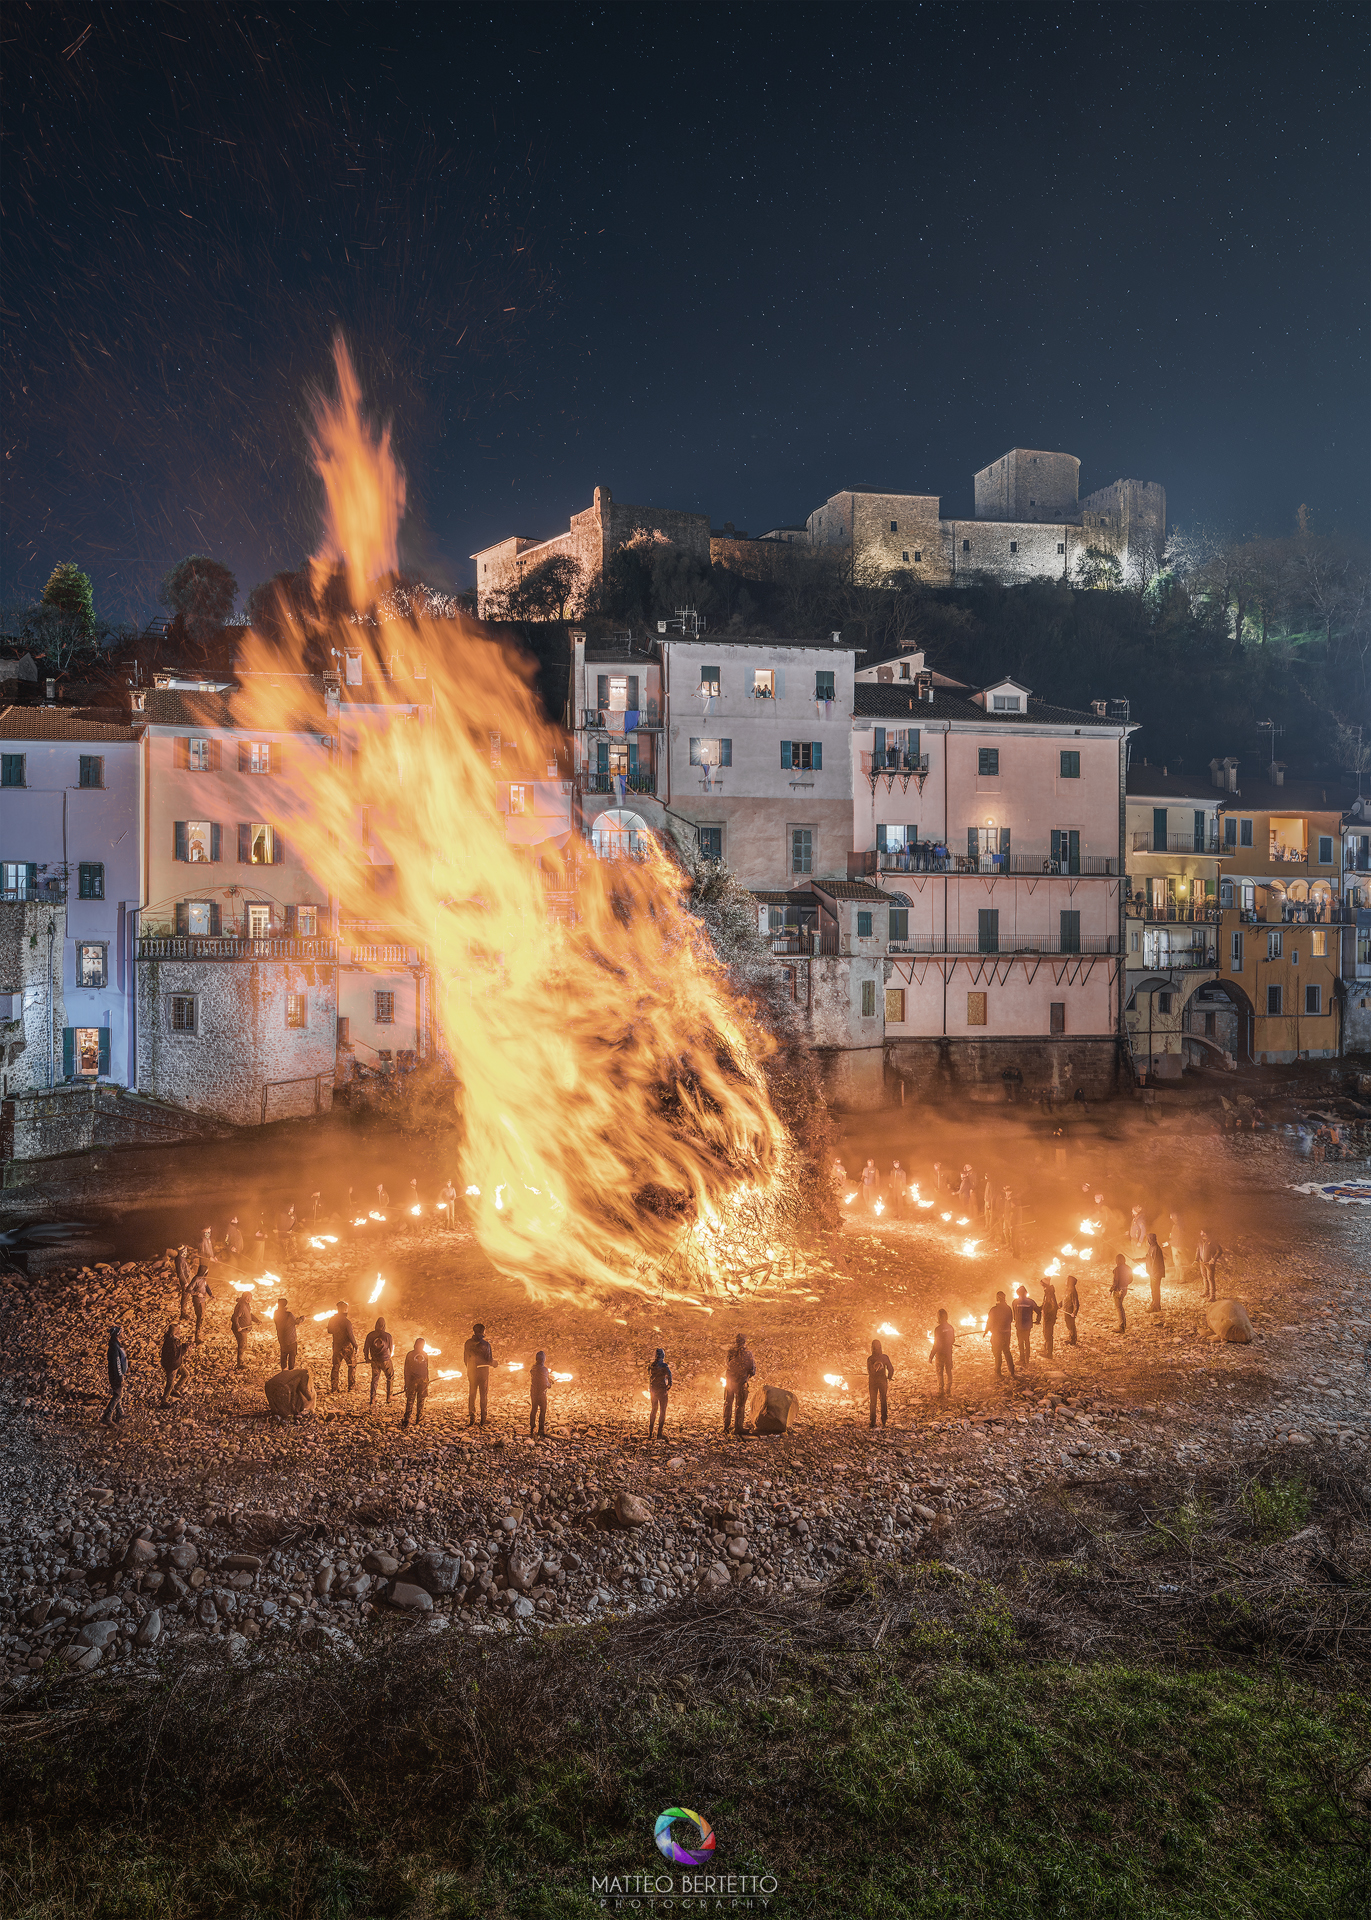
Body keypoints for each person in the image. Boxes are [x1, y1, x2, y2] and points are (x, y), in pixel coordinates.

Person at [723, 1333, 755, 1435]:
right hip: (741, 1383)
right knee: (740, 1406)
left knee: (728, 1403)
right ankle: (738, 1428)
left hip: (730, 1382)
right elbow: (752, 1370)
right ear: (745, 1341)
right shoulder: (748, 1354)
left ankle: (725, 1427)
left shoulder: (731, 1352)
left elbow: (727, 1364)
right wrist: (748, 1375)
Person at [464, 1322, 494, 1426]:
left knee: (472, 1395)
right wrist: (494, 1363)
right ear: (482, 1332)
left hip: (472, 1373)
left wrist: (470, 1369)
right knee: (483, 1396)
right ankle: (483, 1419)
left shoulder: (468, 1343)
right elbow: (489, 1360)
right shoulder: (486, 1345)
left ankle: (472, 1419)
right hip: (483, 1374)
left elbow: (465, 1360)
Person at [983, 1291, 1016, 1381]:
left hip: (997, 1334)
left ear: (997, 1298)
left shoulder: (994, 1309)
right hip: (1006, 1333)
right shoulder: (1008, 1309)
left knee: (997, 1352)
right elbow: (1010, 1320)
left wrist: (987, 1330)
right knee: (1006, 1351)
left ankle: (998, 1371)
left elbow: (989, 1321)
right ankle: (1012, 1370)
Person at [101, 1324, 129, 1425]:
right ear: (118, 1334)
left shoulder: (115, 1344)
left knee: (118, 1393)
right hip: (116, 1375)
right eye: (122, 1332)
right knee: (118, 1394)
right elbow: (117, 1363)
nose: (123, 1334)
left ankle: (120, 1412)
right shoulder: (114, 1346)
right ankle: (107, 1416)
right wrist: (120, 1377)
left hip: (116, 1374)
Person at [328, 1300, 358, 1392]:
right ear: (345, 1310)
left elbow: (329, 1331)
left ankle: (334, 1387)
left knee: (336, 1366)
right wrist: (355, 1345)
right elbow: (350, 1334)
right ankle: (351, 1387)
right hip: (346, 1347)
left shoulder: (332, 1320)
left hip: (337, 1346)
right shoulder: (347, 1322)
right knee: (352, 1365)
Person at [363, 1316, 394, 1406]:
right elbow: (391, 1350)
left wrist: (367, 1358)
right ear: (384, 1326)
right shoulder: (388, 1336)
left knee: (375, 1379)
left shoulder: (370, 1335)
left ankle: (372, 1398)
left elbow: (365, 1348)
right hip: (385, 1360)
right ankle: (389, 1396)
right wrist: (389, 1356)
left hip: (375, 1361)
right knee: (390, 1377)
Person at [160, 1322, 192, 1403]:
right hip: (172, 1366)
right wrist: (185, 1349)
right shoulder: (171, 1343)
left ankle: (175, 1389)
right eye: (178, 1332)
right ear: (176, 1333)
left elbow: (178, 1351)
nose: (180, 1333)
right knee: (170, 1383)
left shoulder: (172, 1340)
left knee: (186, 1374)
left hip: (176, 1364)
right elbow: (176, 1355)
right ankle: (164, 1400)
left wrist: (184, 1346)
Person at [867, 1338, 894, 1428]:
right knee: (883, 1400)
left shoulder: (870, 1359)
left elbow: (870, 1372)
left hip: (873, 1382)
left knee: (873, 1401)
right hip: (882, 1381)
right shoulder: (884, 1357)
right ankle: (884, 1420)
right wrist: (889, 1377)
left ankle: (872, 1421)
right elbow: (891, 1369)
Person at [402, 1337, 429, 1428]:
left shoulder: (410, 1354)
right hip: (422, 1381)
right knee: (420, 1401)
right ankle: (419, 1419)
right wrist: (426, 1381)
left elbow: (406, 1370)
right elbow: (426, 1370)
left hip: (412, 1381)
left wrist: (406, 1383)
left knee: (410, 1400)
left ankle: (407, 1419)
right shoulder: (425, 1355)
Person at [1011, 1285, 1042, 1366]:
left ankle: (1022, 1359)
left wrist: (1015, 1320)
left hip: (1019, 1325)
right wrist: (1037, 1321)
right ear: (1026, 1293)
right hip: (1028, 1325)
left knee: (1020, 1342)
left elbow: (1014, 1314)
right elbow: (1039, 1311)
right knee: (1027, 1341)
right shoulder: (1031, 1302)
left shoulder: (1015, 1302)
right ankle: (1027, 1359)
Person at [928, 1310, 955, 1399]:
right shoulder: (950, 1327)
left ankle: (941, 1390)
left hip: (940, 1354)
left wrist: (931, 1356)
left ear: (939, 1317)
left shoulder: (938, 1329)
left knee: (939, 1372)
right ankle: (948, 1389)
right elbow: (953, 1340)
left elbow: (936, 1344)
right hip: (948, 1353)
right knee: (948, 1371)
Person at [648, 1347, 672, 1438]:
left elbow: (648, 1378)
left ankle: (650, 1433)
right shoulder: (664, 1366)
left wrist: (650, 1388)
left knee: (653, 1410)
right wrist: (667, 1387)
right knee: (662, 1411)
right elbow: (670, 1378)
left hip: (653, 1390)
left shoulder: (651, 1365)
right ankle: (659, 1433)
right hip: (662, 1391)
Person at [186, 1267, 214, 1344]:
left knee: (201, 1318)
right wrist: (197, 1293)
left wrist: (211, 1294)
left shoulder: (203, 1279)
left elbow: (206, 1286)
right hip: (198, 1301)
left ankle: (198, 1335)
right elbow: (188, 1289)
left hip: (203, 1301)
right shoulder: (196, 1279)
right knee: (200, 1318)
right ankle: (197, 1338)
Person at [1196, 1230, 1223, 1301]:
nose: (1200, 1233)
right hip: (1202, 1262)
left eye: (1201, 1232)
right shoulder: (1200, 1241)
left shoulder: (1212, 1241)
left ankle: (1212, 1296)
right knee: (1204, 1277)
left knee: (1210, 1278)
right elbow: (1198, 1250)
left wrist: (1213, 1259)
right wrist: (1196, 1260)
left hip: (1209, 1263)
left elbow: (1219, 1251)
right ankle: (1206, 1292)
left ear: (1205, 1233)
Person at [529, 1349, 550, 1437]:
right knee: (543, 1410)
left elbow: (538, 1377)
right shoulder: (544, 1369)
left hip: (533, 1392)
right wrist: (549, 1384)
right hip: (541, 1393)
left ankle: (532, 1426)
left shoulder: (533, 1368)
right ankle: (541, 1429)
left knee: (533, 1409)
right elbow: (545, 1383)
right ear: (543, 1359)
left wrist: (548, 1380)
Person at [274, 1298, 298, 1372]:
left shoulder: (276, 1313)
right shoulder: (288, 1314)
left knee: (283, 1354)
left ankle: (284, 1369)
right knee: (292, 1354)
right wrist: (302, 1318)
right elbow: (296, 1321)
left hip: (281, 1338)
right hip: (290, 1339)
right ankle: (291, 1370)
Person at [230, 1290, 253, 1368]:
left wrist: (257, 1320)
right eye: (250, 1297)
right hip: (240, 1329)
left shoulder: (246, 1305)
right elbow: (235, 1317)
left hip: (244, 1329)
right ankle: (240, 1364)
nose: (251, 1299)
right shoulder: (242, 1305)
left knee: (243, 1345)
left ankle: (241, 1362)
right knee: (242, 1345)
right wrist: (238, 1327)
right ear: (247, 1298)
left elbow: (249, 1314)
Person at [1145, 1232, 1166, 1313]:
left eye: (1148, 1239)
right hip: (1153, 1273)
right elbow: (1147, 1258)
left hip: (1155, 1273)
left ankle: (1155, 1306)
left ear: (1151, 1239)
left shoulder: (1156, 1249)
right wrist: (1137, 1260)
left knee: (1155, 1290)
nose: (1148, 1241)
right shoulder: (1151, 1247)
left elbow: (1156, 1263)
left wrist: (1153, 1273)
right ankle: (1155, 1305)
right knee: (1153, 1290)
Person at [1110, 1254, 1131, 1334]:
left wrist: (1111, 1290)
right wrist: (1125, 1284)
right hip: (1124, 1289)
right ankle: (1123, 1325)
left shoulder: (1117, 1269)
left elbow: (1115, 1282)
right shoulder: (1128, 1268)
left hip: (1118, 1291)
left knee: (1119, 1308)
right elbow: (1131, 1279)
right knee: (1120, 1307)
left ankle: (1121, 1327)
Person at [1041, 1277, 1060, 1358]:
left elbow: (1052, 1306)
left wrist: (1047, 1314)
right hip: (1048, 1317)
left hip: (1049, 1318)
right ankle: (1046, 1350)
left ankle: (1049, 1353)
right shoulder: (1048, 1292)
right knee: (1046, 1333)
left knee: (1048, 1334)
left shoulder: (1049, 1293)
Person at [175, 1245, 194, 1319]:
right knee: (185, 1297)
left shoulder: (182, 1259)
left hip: (188, 1280)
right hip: (185, 1282)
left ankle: (185, 1312)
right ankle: (183, 1314)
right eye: (185, 1251)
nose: (186, 1252)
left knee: (187, 1297)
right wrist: (185, 1283)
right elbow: (180, 1273)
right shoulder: (179, 1260)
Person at [1062, 1272, 1080, 1346]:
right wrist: (1059, 1305)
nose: (1065, 1281)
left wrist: (1074, 1312)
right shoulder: (1068, 1290)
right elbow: (1065, 1299)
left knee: (1071, 1325)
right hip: (1066, 1310)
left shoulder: (1072, 1291)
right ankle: (1071, 1338)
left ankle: (1073, 1340)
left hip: (1070, 1311)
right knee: (1068, 1324)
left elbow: (1076, 1303)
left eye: (1067, 1280)